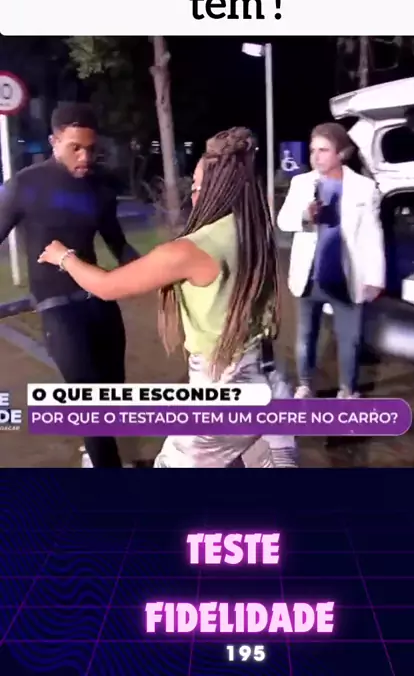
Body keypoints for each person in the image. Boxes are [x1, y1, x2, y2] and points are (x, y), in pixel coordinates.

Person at [38, 127, 298, 468]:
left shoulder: (191, 251)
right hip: (270, 377)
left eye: (197, 187)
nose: (194, 195)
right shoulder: (252, 231)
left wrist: (64, 257)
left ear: (216, 190)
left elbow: (107, 286)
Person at [0, 103, 139, 467]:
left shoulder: (101, 187)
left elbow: (118, 243)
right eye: (75, 148)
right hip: (57, 307)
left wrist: (154, 270)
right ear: (54, 141)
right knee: (89, 402)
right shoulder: (24, 185)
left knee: (113, 396)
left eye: (91, 149)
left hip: (100, 299)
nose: (85, 157)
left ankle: (96, 457)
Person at [277, 122, 385, 400]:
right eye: (313, 150)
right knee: (305, 336)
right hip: (308, 277)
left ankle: (347, 391)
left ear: (342, 154)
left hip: (347, 277)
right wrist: (305, 217)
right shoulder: (301, 183)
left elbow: (372, 235)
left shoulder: (364, 188)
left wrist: (375, 278)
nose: (316, 157)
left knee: (350, 339)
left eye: (323, 150)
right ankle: (305, 385)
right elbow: (283, 221)